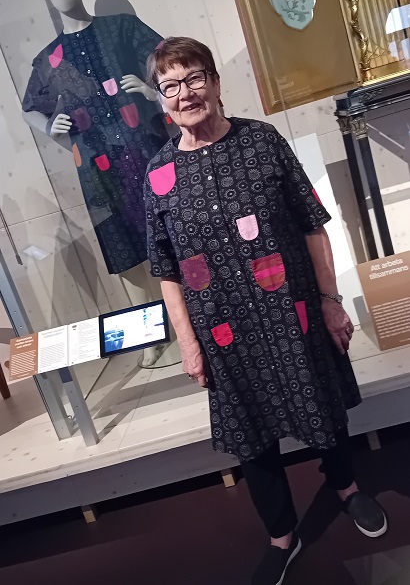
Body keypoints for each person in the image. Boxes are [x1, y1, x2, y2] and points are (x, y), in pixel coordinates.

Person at [144, 37, 387, 585]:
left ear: (215, 82)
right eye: (171, 85)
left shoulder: (262, 141)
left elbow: (312, 226)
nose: (186, 93)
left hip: (291, 312)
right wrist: (188, 343)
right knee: (251, 435)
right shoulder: (157, 176)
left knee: (322, 404)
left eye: (195, 77)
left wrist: (330, 301)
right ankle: (282, 534)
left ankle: (345, 486)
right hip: (222, 331)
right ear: (161, 98)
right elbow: (167, 271)